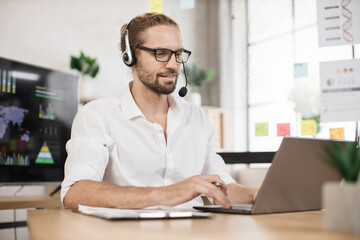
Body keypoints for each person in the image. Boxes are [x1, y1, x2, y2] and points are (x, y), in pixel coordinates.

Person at [61, 12, 258, 209]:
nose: (173, 65)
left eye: (178, 54)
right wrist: (168, 193)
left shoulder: (198, 118)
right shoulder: (97, 116)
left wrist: (255, 194)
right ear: (130, 57)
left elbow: (221, 188)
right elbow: (75, 192)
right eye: (161, 53)